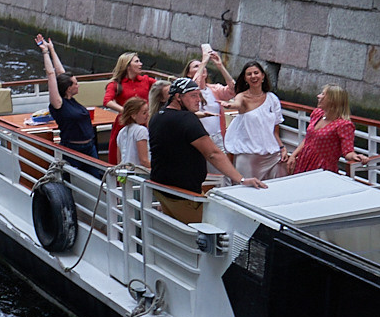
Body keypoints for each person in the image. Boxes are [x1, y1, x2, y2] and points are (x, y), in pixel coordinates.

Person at [149, 77, 268, 222]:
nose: (198, 99)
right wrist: (241, 179)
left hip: (162, 190)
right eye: (193, 95)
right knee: (216, 227)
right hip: (183, 195)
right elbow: (212, 153)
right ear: (178, 97)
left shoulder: (157, 118)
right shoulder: (187, 119)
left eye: (199, 95)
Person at [36, 35, 99, 161]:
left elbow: (60, 72)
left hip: (89, 148)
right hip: (73, 150)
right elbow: (51, 74)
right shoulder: (59, 104)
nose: (78, 85)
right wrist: (45, 52)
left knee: (96, 177)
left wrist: (52, 50)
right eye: (76, 83)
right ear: (69, 88)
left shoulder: (71, 100)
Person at [222, 60, 285, 180]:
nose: (253, 76)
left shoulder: (272, 99)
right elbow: (237, 104)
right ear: (245, 79)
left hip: (271, 154)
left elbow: (275, 129)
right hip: (248, 154)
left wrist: (282, 147)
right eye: (249, 74)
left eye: (256, 73)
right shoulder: (242, 97)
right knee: (244, 189)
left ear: (262, 76)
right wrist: (230, 106)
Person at [282, 85, 358, 175]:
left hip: (321, 168)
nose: (318, 96)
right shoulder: (317, 113)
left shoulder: (343, 125)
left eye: (323, 94)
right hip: (303, 162)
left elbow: (348, 151)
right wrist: (294, 155)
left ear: (332, 100)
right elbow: (308, 139)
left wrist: (355, 156)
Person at [113, 95, 152, 170]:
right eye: (144, 113)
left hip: (125, 173)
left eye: (148, 111)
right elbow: (144, 161)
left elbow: (119, 160)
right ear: (133, 115)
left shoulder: (121, 132)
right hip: (138, 173)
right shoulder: (141, 130)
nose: (148, 115)